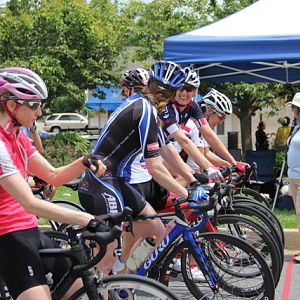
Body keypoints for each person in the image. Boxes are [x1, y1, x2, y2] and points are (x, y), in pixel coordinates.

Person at [78, 61, 209, 273]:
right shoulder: (145, 111)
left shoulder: (144, 106)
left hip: (114, 180)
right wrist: (187, 194)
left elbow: (166, 150)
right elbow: (155, 167)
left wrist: (193, 180)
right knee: (105, 262)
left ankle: (124, 282)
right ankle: (99, 289)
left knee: (155, 230)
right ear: (168, 95)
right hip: (102, 183)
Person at [0, 67, 107, 300]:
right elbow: (30, 203)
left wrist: (84, 161)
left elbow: (53, 174)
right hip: (6, 235)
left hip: (29, 230)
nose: (39, 112)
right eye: (34, 105)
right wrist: (87, 220)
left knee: (81, 287)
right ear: (11, 106)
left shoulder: (17, 136)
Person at [160, 67, 237, 181]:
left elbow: (209, 135)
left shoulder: (192, 106)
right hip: (152, 154)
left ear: (194, 91)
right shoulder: (167, 107)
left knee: (189, 176)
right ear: (175, 89)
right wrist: (209, 167)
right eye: (181, 88)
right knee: (187, 176)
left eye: (189, 89)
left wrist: (233, 163)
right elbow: (183, 140)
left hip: (166, 152)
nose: (184, 93)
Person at [286, 93, 300, 263]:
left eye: (294, 107)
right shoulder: (296, 127)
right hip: (294, 177)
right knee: (298, 214)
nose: (292, 109)